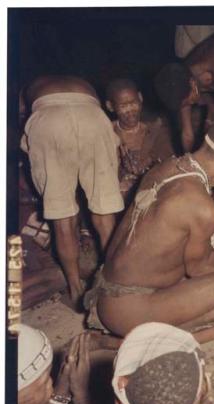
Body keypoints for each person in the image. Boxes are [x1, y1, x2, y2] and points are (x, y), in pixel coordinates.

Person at [84, 120, 214, 338]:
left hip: (110, 291)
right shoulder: (201, 205)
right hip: (132, 309)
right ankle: (114, 346)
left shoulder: (168, 167)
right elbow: (197, 270)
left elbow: (203, 237)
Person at [20, 76, 124, 306]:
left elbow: (20, 120)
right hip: (92, 117)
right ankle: (116, 285)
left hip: (49, 119)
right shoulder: (82, 81)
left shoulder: (31, 85)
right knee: (105, 215)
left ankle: (76, 289)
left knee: (63, 218)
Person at [105, 79, 174, 205]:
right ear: (110, 106)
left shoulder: (154, 130)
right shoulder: (107, 132)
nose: (130, 110)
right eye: (123, 106)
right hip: (118, 196)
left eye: (133, 103)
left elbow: (168, 163)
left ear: (140, 98)